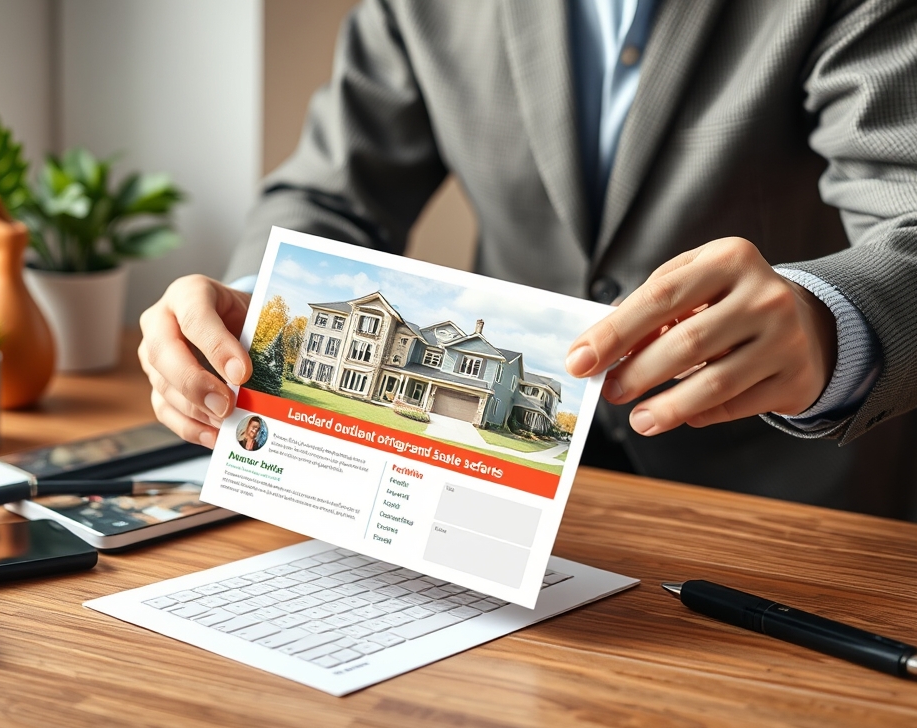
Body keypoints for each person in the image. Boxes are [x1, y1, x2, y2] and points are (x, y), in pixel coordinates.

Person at [139, 1, 917, 519]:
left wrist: (825, 322)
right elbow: (332, 192)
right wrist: (251, 302)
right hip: (481, 503)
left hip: (783, 498)